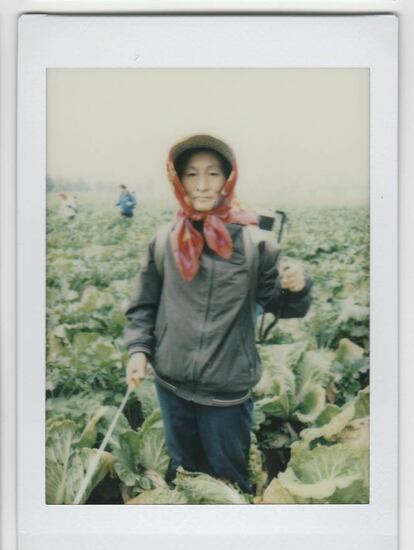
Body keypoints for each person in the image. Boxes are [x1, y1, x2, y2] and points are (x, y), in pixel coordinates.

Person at [124, 134, 312, 494]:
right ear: (179, 181)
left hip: (226, 391)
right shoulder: (164, 240)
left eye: (213, 174)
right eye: (192, 175)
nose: (203, 184)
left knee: (229, 482)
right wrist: (138, 350)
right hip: (171, 384)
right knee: (184, 475)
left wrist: (297, 286)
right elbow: (143, 305)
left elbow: (284, 308)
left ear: (228, 179)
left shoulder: (257, 244)